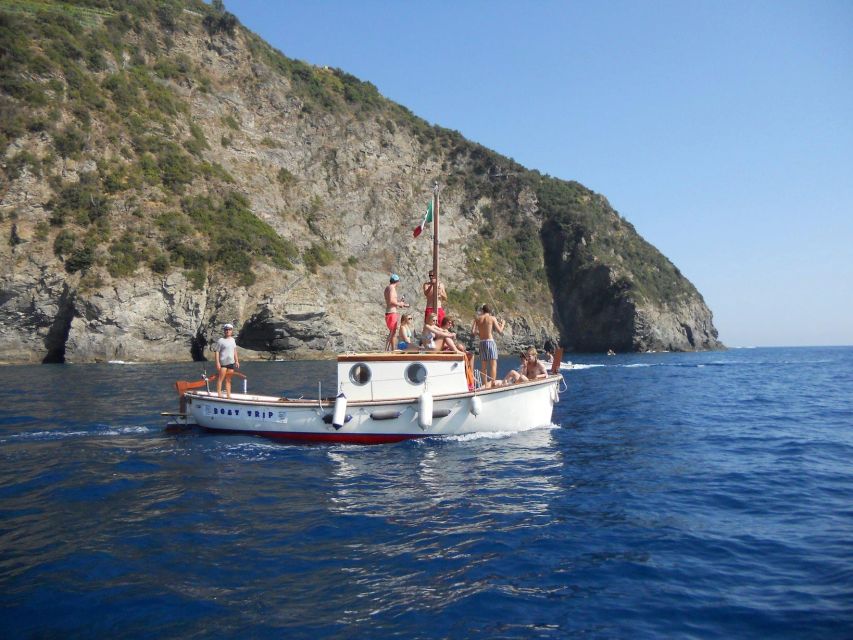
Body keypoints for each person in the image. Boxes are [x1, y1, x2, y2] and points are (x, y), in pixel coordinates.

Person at [473, 304, 505, 387]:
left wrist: (480, 333)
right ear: (490, 311)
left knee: (483, 365)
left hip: (482, 343)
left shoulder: (478, 319)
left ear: (483, 310)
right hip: (490, 342)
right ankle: (493, 383)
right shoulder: (492, 318)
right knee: (493, 364)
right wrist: (503, 324)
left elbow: (473, 332)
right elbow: (500, 331)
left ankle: (484, 383)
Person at [384, 273, 409, 351]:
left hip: (388, 312)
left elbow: (391, 301)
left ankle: (391, 349)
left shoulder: (387, 288)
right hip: (392, 313)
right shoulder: (392, 288)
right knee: (393, 332)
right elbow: (391, 301)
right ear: (397, 281)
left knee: (392, 332)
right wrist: (400, 303)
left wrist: (402, 304)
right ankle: (387, 350)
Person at [214, 323, 240, 398]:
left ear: (231, 331)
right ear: (224, 331)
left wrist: (237, 361)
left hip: (231, 363)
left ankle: (228, 395)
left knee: (228, 380)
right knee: (220, 379)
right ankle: (219, 394)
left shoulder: (233, 340)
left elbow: (234, 351)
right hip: (223, 364)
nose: (227, 331)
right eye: (226, 330)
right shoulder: (221, 341)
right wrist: (217, 363)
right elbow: (217, 352)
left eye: (229, 329)